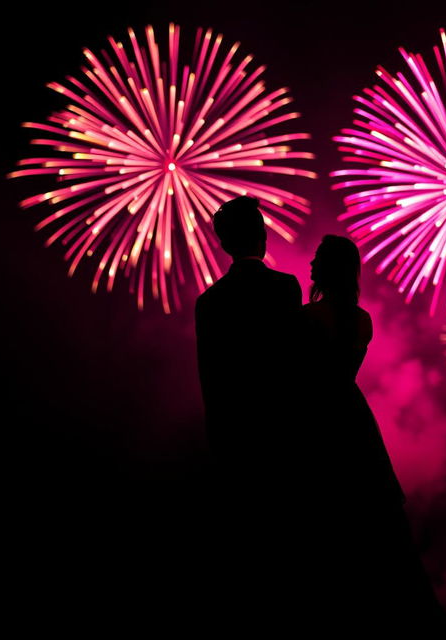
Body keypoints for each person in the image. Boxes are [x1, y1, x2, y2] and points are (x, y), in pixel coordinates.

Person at [294, 234, 444, 622]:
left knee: (325, 514)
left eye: (317, 259)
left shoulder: (307, 319)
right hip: (352, 414)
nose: (310, 266)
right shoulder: (362, 321)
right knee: (372, 515)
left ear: (328, 268)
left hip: (318, 416)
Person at [194, 195, 302, 611]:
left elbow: (212, 382)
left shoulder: (210, 304)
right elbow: (296, 368)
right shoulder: (285, 289)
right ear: (260, 235)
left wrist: (220, 444)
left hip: (237, 440)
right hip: (284, 437)